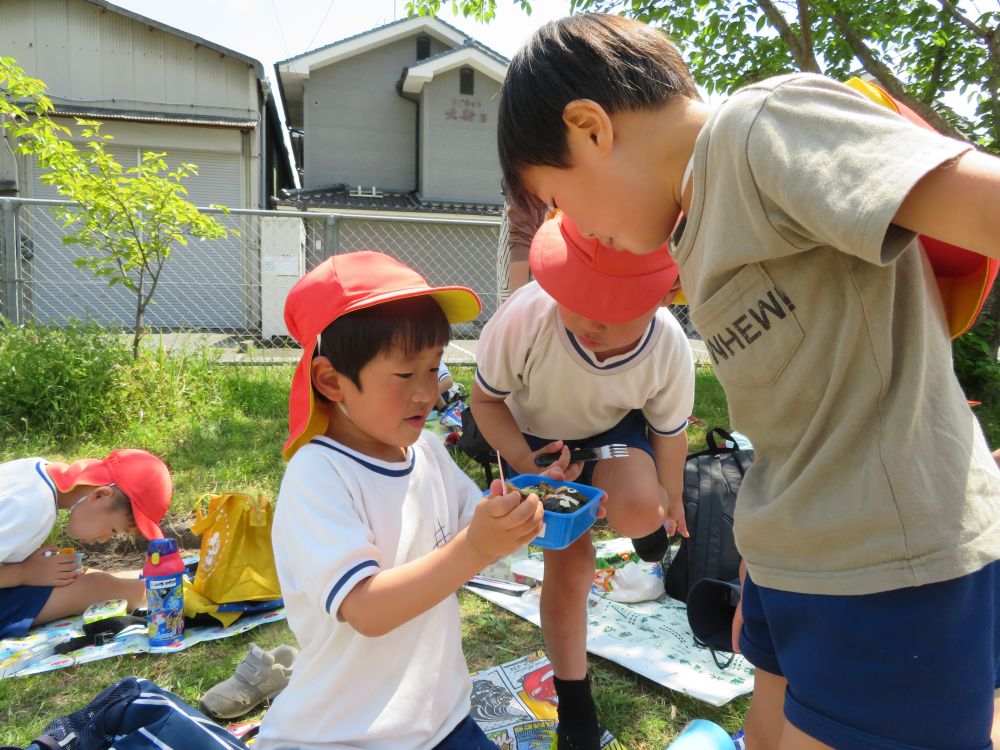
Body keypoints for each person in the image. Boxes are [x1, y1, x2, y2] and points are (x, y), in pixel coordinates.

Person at [495, 13, 1000, 750]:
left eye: (562, 201)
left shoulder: (760, 129)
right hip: (797, 556)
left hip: (892, 566)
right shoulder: (693, 231)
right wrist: (762, 568)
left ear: (590, 128)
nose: (578, 230)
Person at [255, 251, 577, 750]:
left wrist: (538, 501)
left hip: (443, 721)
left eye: (434, 368)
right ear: (331, 380)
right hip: (344, 737)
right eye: (405, 375)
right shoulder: (318, 475)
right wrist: (474, 546)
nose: (427, 393)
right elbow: (367, 609)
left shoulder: (425, 452)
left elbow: (483, 527)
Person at [472, 212, 694, 750]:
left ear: (660, 301)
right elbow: (485, 400)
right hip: (532, 441)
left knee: (645, 506)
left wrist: (674, 498)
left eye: (612, 308)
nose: (591, 320)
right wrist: (528, 465)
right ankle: (575, 702)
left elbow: (669, 431)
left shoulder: (667, 346)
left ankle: (646, 535)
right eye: (578, 296)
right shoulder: (528, 316)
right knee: (568, 568)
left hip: (610, 432)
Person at [0, 448, 173, 638]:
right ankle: (174, 593)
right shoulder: (31, 508)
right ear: (100, 495)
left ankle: (160, 582)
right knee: (94, 587)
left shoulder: (35, 471)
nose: (105, 538)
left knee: (74, 574)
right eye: (114, 530)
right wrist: (25, 573)